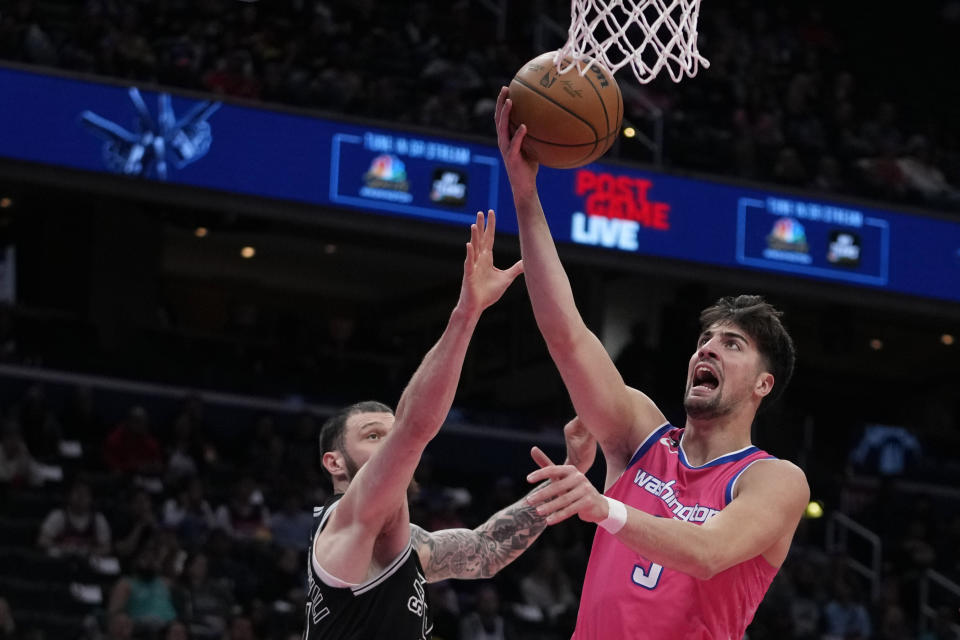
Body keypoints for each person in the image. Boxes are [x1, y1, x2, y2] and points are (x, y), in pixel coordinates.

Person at [495, 88, 810, 639]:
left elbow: (710, 552)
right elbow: (567, 336)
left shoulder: (772, 480)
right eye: (706, 339)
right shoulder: (639, 434)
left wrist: (603, 508)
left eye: (732, 344)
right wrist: (526, 195)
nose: (707, 348)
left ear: (765, 383)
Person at [305, 211, 591, 640]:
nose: (388, 444)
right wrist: (467, 311)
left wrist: (570, 474)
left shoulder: (396, 542)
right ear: (335, 463)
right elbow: (413, 429)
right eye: (372, 436)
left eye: (388, 432)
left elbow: (486, 550)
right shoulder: (349, 522)